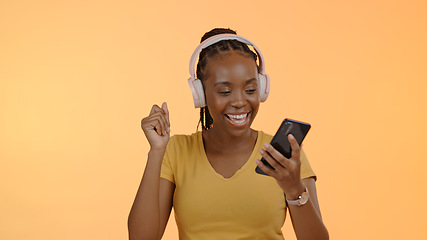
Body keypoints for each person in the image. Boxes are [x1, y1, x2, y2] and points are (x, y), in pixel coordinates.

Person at [128, 28, 329, 240]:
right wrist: (156, 151)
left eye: (250, 90)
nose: (240, 102)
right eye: (225, 91)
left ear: (262, 89)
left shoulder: (284, 156)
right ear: (200, 94)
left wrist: (294, 188)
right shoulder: (176, 151)